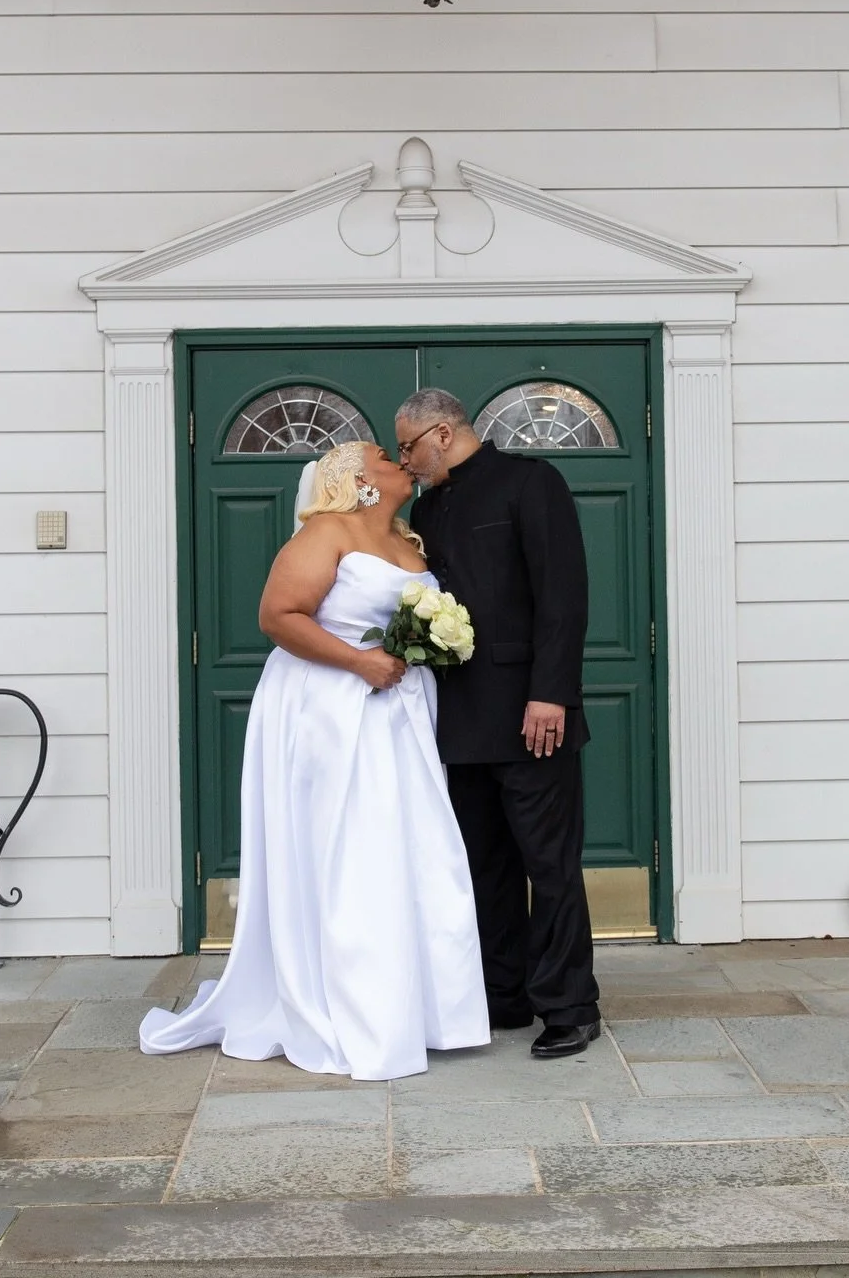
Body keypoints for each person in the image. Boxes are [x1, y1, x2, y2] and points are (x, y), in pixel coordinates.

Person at [139, 440, 489, 1081]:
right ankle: (350, 1011)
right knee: (351, 849)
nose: (399, 460)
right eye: (384, 455)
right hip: (332, 708)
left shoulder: (412, 544)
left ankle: (420, 1010)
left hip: (401, 713)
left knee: (412, 849)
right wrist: (361, 662)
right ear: (356, 478)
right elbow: (278, 616)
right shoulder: (325, 532)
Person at [398, 389, 600, 1059]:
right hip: (460, 722)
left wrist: (551, 695)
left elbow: (563, 596)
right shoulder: (425, 509)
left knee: (550, 867)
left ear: (444, 433)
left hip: (532, 716)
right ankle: (503, 994)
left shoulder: (532, 482)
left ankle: (570, 1007)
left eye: (409, 446)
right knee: (484, 868)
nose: (406, 461)